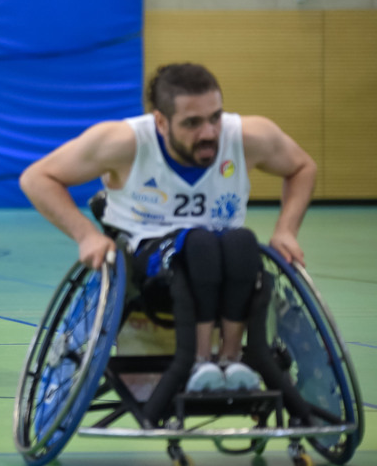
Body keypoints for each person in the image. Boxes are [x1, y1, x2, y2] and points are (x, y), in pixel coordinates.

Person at [19, 62, 316, 394]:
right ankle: (201, 359)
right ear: (160, 121)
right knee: (201, 243)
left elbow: (302, 166)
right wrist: (86, 234)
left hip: (227, 262)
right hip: (147, 263)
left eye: (215, 118)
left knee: (243, 240)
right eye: (192, 123)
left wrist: (287, 229)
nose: (209, 133)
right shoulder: (123, 142)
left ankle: (231, 360)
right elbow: (37, 178)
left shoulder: (248, 136)